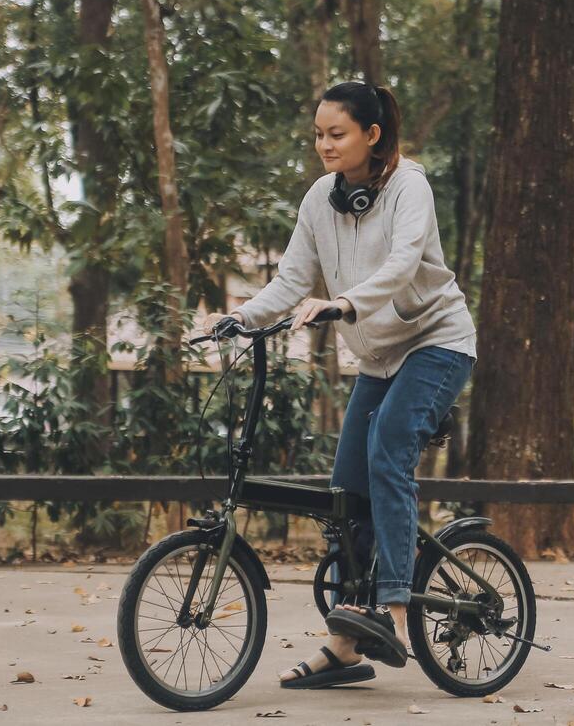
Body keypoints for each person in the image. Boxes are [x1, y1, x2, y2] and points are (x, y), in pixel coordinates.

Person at [203, 81, 477, 689]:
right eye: (318, 135)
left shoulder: (411, 185)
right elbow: (289, 281)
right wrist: (239, 316)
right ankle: (346, 647)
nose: (324, 146)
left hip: (437, 343)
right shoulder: (318, 201)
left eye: (337, 134)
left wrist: (345, 303)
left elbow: (404, 264)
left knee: (386, 456)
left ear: (371, 135)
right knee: (346, 488)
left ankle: (397, 608)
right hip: (379, 359)